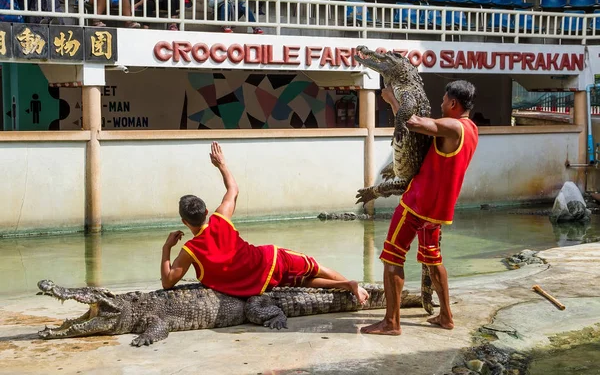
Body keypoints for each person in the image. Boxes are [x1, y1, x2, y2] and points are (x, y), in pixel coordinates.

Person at [161, 142, 369, 305]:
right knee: (315, 268)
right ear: (206, 212)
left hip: (259, 283)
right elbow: (233, 189)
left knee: (303, 282)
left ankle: (347, 286)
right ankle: (351, 285)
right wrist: (221, 164)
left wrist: (167, 248)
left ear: (184, 222)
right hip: (271, 260)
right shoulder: (220, 219)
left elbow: (168, 282)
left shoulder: (189, 250)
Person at [360, 80, 479, 336]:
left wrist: (392, 99)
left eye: (444, 100)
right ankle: (446, 316)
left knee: (391, 256)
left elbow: (412, 122)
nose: (441, 103)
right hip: (439, 211)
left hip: (418, 203)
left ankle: (391, 322)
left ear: (453, 103)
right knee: (433, 260)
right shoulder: (472, 129)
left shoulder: (452, 126)